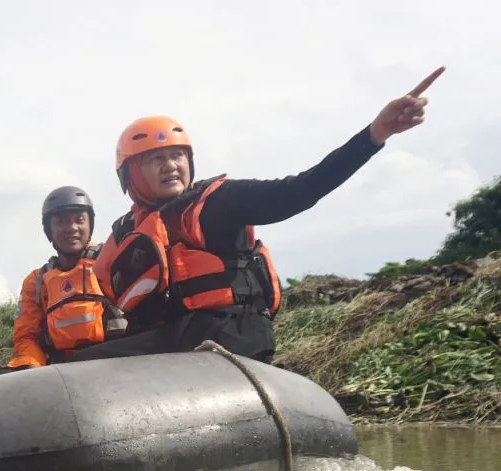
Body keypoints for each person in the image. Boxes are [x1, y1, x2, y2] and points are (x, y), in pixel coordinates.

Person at [78, 67, 445, 364]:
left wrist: (375, 134)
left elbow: (303, 189)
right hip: (175, 338)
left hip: (231, 332)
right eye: (155, 159)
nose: (170, 166)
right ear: (130, 174)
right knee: (80, 363)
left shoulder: (220, 199)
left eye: (177, 156)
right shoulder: (126, 234)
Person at [5, 186, 125, 370]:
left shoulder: (113, 259)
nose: (71, 228)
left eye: (79, 220)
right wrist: (31, 368)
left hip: (116, 361)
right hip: (63, 371)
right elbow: (26, 336)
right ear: (49, 230)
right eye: (61, 222)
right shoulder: (36, 281)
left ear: (89, 225)